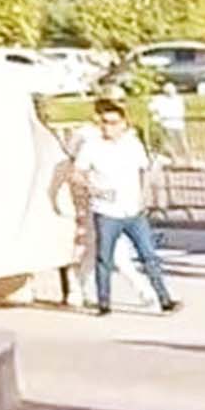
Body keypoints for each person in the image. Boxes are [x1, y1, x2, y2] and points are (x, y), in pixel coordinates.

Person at [71, 99, 179, 318]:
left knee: (148, 255)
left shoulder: (133, 145)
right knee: (104, 258)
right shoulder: (91, 147)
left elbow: (143, 171)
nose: (107, 127)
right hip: (106, 211)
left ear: (123, 124)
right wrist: (93, 189)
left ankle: (164, 299)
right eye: (103, 122)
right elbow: (76, 174)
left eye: (112, 123)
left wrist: (145, 197)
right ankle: (104, 303)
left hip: (133, 210)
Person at [151, 82, 189, 160]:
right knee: (179, 141)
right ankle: (183, 157)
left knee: (173, 142)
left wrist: (156, 117)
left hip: (170, 123)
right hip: (174, 123)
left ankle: (178, 157)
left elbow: (151, 109)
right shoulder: (178, 99)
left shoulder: (160, 99)